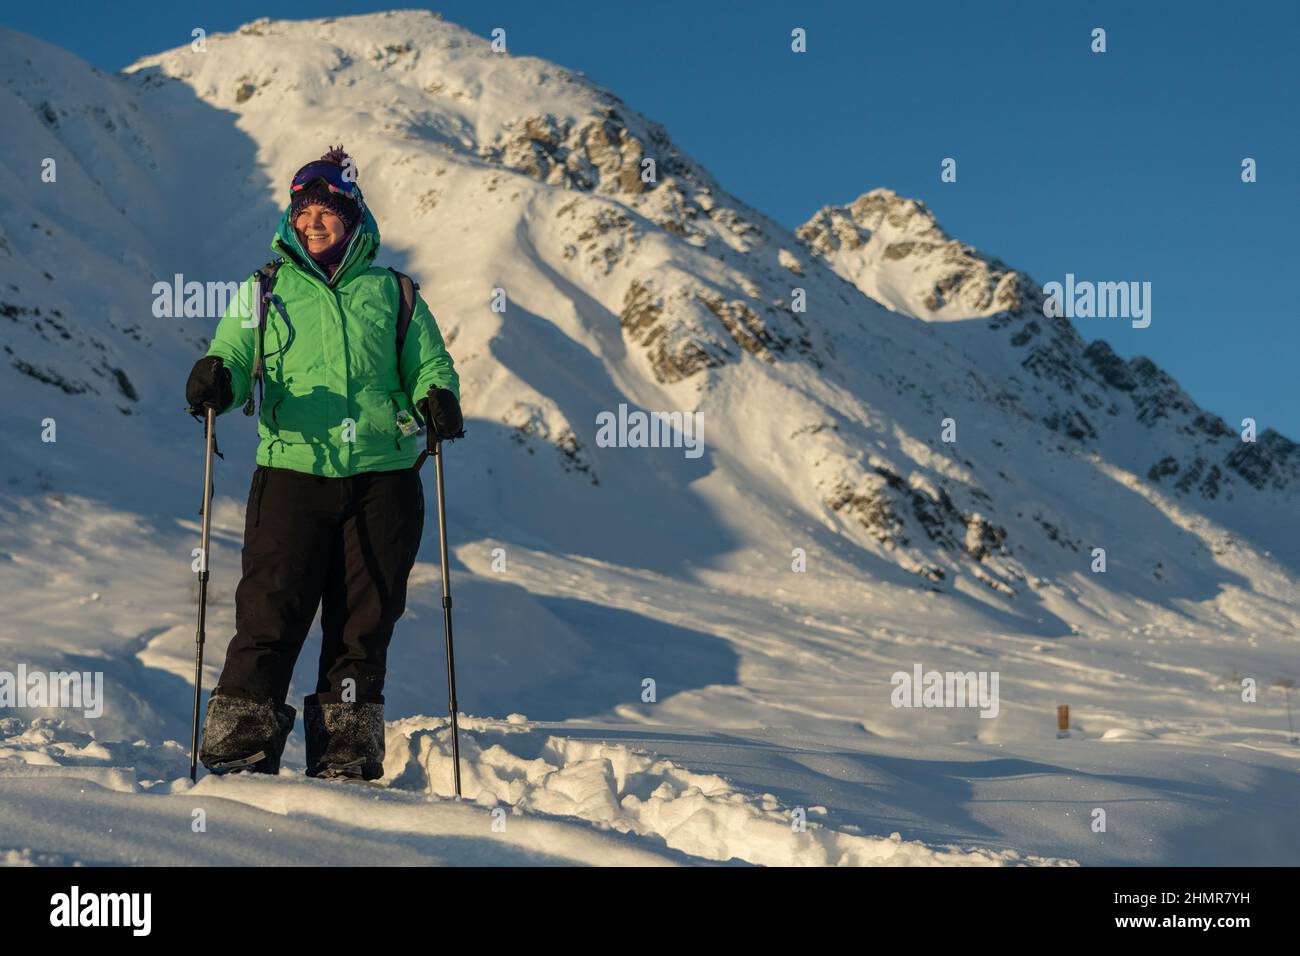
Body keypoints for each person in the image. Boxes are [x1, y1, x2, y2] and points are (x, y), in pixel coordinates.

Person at [184, 146, 463, 780]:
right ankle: (240, 747)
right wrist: (214, 381)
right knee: (270, 612)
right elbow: (230, 352)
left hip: (383, 477)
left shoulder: (395, 292)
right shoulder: (265, 288)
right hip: (292, 473)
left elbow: (428, 364)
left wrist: (437, 398)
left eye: (326, 212)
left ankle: (347, 752)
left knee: (363, 624)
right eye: (303, 211)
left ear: (352, 218)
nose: (313, 222)